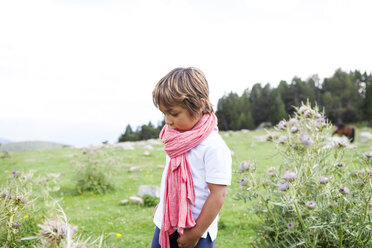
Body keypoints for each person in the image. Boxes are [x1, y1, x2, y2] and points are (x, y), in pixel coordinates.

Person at [151, 67, 232, 248]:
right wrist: (163, 206)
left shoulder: (213, 147)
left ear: (200, 105)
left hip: (197, 231)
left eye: (174, 113)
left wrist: (195, 234)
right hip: (166, 224)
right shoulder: (175, 139)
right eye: (164, 113)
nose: (167, 121)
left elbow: (218, 195)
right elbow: (171, 179)